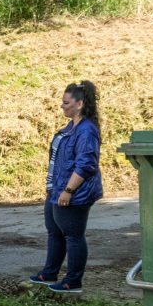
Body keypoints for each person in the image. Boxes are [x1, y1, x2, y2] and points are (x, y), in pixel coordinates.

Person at [30, 81, 103, 294]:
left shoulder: (86, 130)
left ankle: (73, 281)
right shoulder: (72, 126)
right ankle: (50, 273)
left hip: (74, 192)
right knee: (54, 231)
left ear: (79, 104)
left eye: (66, 102)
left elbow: (87, 164)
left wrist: (69, 190)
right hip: (57, 188)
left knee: (73, 235)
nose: (62, 106)